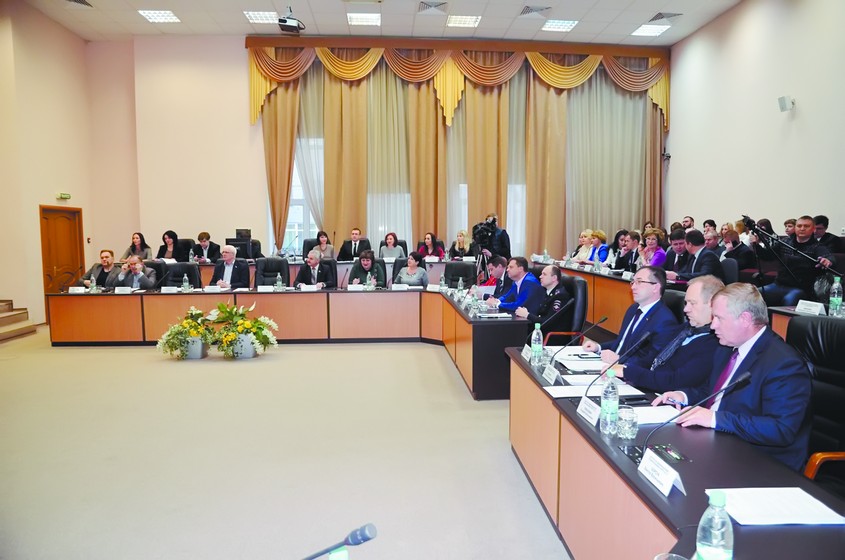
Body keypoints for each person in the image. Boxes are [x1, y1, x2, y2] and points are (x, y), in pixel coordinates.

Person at [652, 283, 812, 472]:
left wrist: (715, 419)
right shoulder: (726, 347)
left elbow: (780, 429)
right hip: (715, 443)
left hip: (760, 462)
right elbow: (711, 391)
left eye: (718, 318)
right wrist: (683, 395)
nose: (712, 326)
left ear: (745, 319)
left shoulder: (784, 364)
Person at [611, 275, 723, 393]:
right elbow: (652, 357)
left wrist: (629, 372)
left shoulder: (714, 343)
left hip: (665, 396)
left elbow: (675, 381)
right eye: (686, 303)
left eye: (693, 303)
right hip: (648, 387)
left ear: (713, 305)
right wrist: (625, 366)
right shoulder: (685, 329)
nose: (685, 309)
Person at [582, 266, 679, 369]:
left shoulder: (665, 321)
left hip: (629, 373)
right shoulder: (633, 309)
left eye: (639, 282)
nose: (633, 287)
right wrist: (598, 347)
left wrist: (619, 359)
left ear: (655, 287)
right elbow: (622, 343)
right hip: (611, 367)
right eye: (633, 282)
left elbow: (652, 360)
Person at [759, 215, 835, 306]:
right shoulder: (785, 242)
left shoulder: (817, 247)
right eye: (799, 226)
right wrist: (755, 244)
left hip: (800, 289)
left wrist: (827, 261)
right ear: (795, 228)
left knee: (789, 300)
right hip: (778, 285)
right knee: (753, 295)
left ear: (813, 229)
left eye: (806, 226)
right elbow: (767, 256)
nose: (802, 229)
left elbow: (829, 257)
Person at [514, 265, 572, 330]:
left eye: (544, 274)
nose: (540, 277)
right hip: (539, 329)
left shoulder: (560, 296)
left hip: (550, 333)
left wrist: (527, 315)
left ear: (554, 278)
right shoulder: (547, 292)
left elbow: (547, 321)